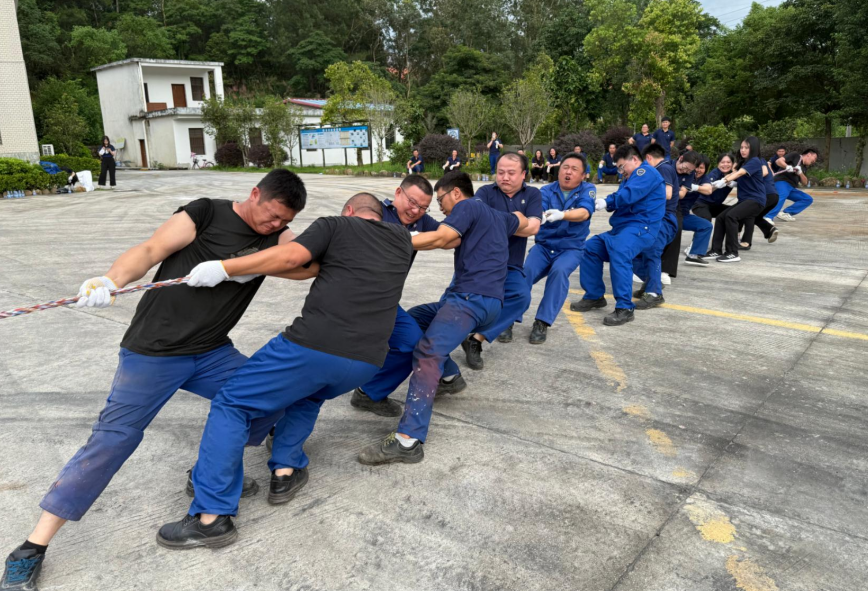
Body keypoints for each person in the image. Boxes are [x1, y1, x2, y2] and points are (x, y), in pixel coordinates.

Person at [1, 170, 308, 589]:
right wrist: (111, 280)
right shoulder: (205, 213)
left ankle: (206, 473)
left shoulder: (279, 237)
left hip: (212, 352)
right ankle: (32, 547)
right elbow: (149, 250)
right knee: (112, 441)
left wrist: (232, 268)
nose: (274, 225)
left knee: (271, 398)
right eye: (271, 215)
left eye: (284, 221)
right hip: (153, 351)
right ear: (255, 193)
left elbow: (305, 264)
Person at [155, 193, 415, 549]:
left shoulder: (335, 225)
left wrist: (227, 268)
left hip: (314, 347)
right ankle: (285, 472)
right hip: (366, 362)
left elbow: (293, 256)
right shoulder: (401, 239)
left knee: (232, 404)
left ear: (349, 211)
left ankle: (210, 517)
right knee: (307, 396)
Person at [357, 172, 527, 465]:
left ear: (456, 193)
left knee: (427, 353)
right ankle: (446, 377)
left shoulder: (467, 206)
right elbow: (522, 221)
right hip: (490, 304)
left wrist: (396, 236)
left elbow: (444, 238)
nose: (440, 209)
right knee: (415, 320)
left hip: (469, 299)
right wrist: (528, 217)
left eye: (439, 201)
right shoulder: (497, 216)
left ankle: (408, 441)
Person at [348, 176, 468, 418]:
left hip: (386, 303)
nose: (415, 211)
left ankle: (369, 393)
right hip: (356, 298)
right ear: (398, 193)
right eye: (412, 202)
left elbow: (451, 237)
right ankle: (447, 373)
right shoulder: (376, 212)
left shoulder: (420, 221)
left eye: (423, 207)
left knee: (413, 337)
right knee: (411, 341)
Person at [461, 153, 542, 369]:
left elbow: (534, 227)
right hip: (479, 264)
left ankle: (476, 339)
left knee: (521, 298)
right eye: (500, 172)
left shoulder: (532, 194)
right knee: (458, 301)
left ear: (523, 174)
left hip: (511, 265)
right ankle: (443, 341)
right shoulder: (485, 192)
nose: (504, 177)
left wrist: (495, 222)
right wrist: (518, 221)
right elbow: (479, 222)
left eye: (511, 173)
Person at [570, 144, 665, 326]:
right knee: (590, 248)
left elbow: (628, 195)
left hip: (640, 227)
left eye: (622, 167)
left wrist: (606, 201)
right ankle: (594, 295)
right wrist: (600, 203)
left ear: (634, 160)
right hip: (622, 229)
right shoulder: (630, 178)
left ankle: (625, 308)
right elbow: (621, 197)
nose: (621, 172)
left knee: (620, 251)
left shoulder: (645, 173)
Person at [522, 153, 595, 344]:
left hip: (570, 248)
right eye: (565, 167)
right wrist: (538, 216)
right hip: (545, 246)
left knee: (559, 272)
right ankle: (509, 319)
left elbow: (584, 212)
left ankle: (542, 322)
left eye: (574, 169)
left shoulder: (588, 189)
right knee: (524, 273)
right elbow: (539, 210)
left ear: (583, 175)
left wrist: (562, 215)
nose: (568, 172)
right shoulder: (546, 190)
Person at [631, 143, 687, 309]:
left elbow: (667, 194)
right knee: (637, 251)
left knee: (651, 250)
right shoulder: (664, 168)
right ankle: (651, 283)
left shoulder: (663, 168)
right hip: (657, 218)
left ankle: (655, 293)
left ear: (648, 158)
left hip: (664, 219)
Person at [709, 136, 768, 263]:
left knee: (731, 216)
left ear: (754, 148)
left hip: (756, 200)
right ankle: (716, 250)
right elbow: (738, 176)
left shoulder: (755, 161)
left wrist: (723, 181)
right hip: (745, 200)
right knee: (721, 217)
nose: (743, 150)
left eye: (746, 147)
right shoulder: (745, 162)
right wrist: (726, 181)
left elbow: (740, 173)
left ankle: (732, 252)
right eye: (741, 147)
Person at [659, 150, 701, 284]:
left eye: (690, 170)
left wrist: (671, 188)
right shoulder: (666, 166)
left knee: (676, 228)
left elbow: (682, 194)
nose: (686, 171)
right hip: (657, 203)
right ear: (681, 158)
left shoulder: (689, 174)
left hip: (674, 205)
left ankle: (666, 269)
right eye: (685, 167)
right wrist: (676, 189)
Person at [678, 155, 715, 266]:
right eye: (697, 167)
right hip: (672, 212)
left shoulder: (703, 178)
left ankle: (693, 255)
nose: (698, 170)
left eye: (702, 168)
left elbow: (709, 190)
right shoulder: (684, 174)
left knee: (706, 226)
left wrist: (694, 187)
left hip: (684, 215)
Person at [766, 148, 818, 222]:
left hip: (791, 188)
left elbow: (805, 183)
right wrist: (787, 166)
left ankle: (785, 213)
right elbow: (778, 161)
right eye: (814, 158)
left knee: (807, 199)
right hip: (782, 182)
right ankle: (768, 217)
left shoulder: (804, 167)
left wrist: (800, 173)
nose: (814, 161)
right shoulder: (796, 155)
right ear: (809, 154)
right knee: (782, 195)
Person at [739, 163, 780, 248]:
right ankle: (769, 229)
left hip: (765, 195)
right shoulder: (754, 161)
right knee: (756, 216)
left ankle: (745, 242)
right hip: (773, 196)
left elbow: (765, 172)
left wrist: (747, 178)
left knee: (748, 214)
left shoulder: (757, 160)